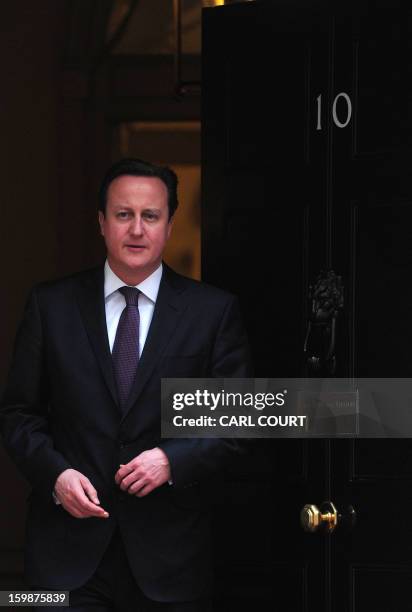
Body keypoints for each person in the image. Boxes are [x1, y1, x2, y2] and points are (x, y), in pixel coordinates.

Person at [0, 158, 252, 611]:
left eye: (150, 215)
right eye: (123, 214)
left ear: (170, 224)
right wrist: (55, 475)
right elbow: (18, 414)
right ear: (101, 222)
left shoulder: (212, 313)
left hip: (171, 560)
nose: (136, 229)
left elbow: (236, 424)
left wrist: (171, 460)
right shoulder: (50, 305)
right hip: (64, 561)